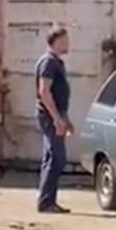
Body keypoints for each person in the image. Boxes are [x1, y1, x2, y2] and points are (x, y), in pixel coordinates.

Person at [35, 27, 74, 214]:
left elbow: (59, 95)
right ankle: (46, 202)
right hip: (49, 116)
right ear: (55, 41)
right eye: (64, 40)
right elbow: (44, 91)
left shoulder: (57, 62)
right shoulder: (48, 63)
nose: (68, 44)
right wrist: (56, 118)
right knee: (57, 158)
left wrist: (65, 118)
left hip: (56, 115)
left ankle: (48, 201)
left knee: (51, 157)